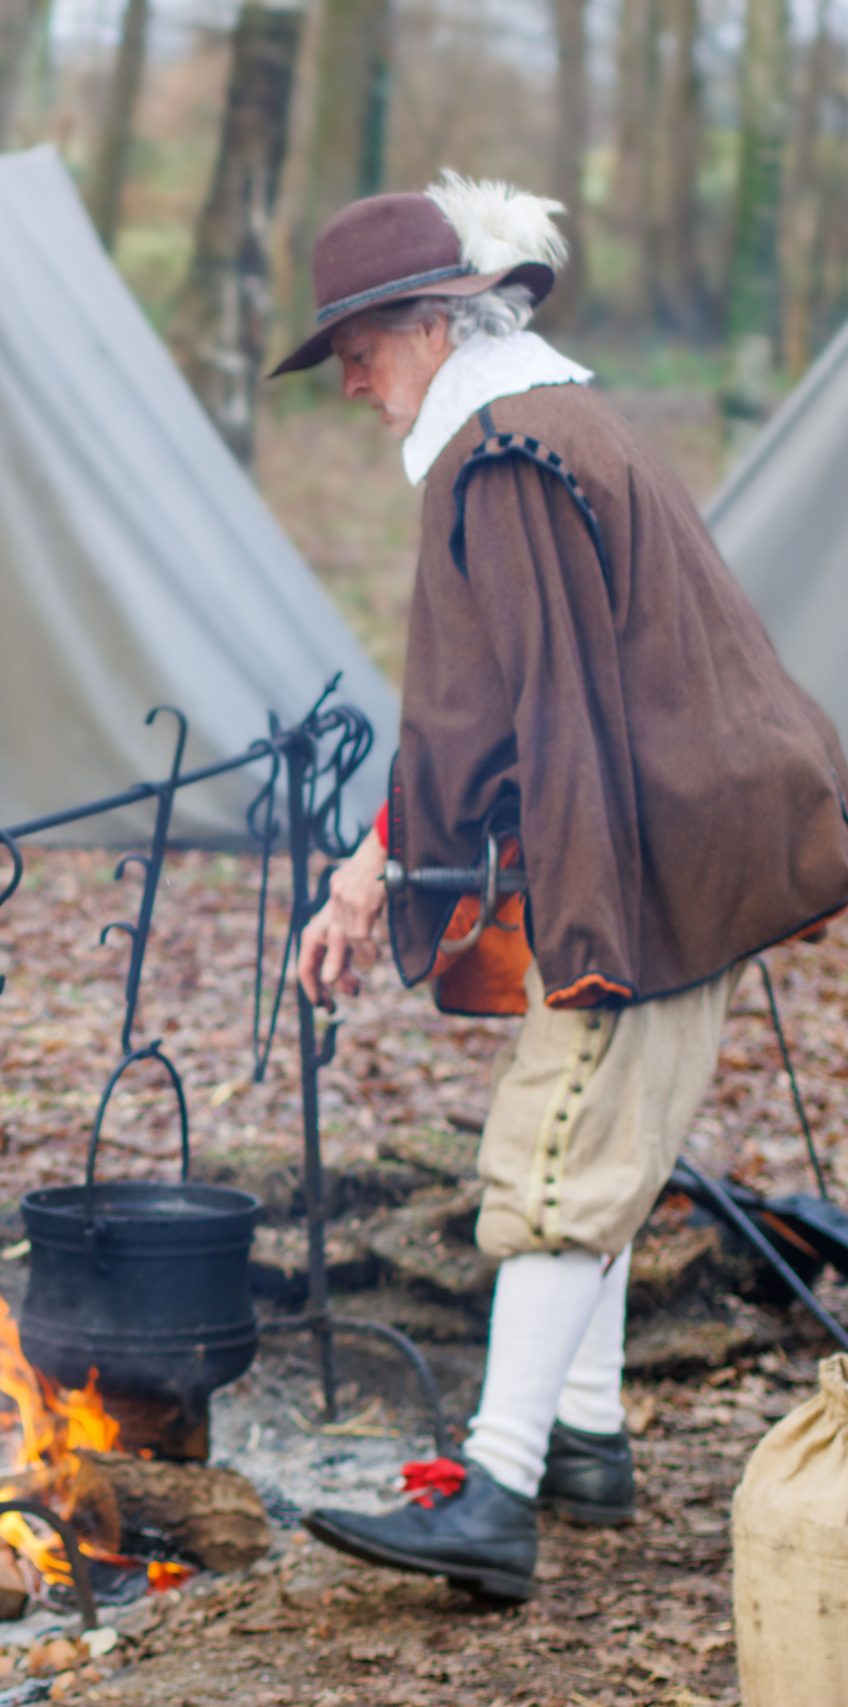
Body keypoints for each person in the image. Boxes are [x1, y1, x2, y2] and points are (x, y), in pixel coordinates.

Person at [281, 173, 848, 1602]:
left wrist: (575, 931)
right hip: (684, 822)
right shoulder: (548, 422)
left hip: (647, 848)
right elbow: (497, 704)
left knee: (551, 1155)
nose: (350, 379)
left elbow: (528, 713)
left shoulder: (507, 452)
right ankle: (588, 1440)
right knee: (605, 1151)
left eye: (359, 343)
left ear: (434, 323)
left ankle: (497, 1490)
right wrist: (376, 871)